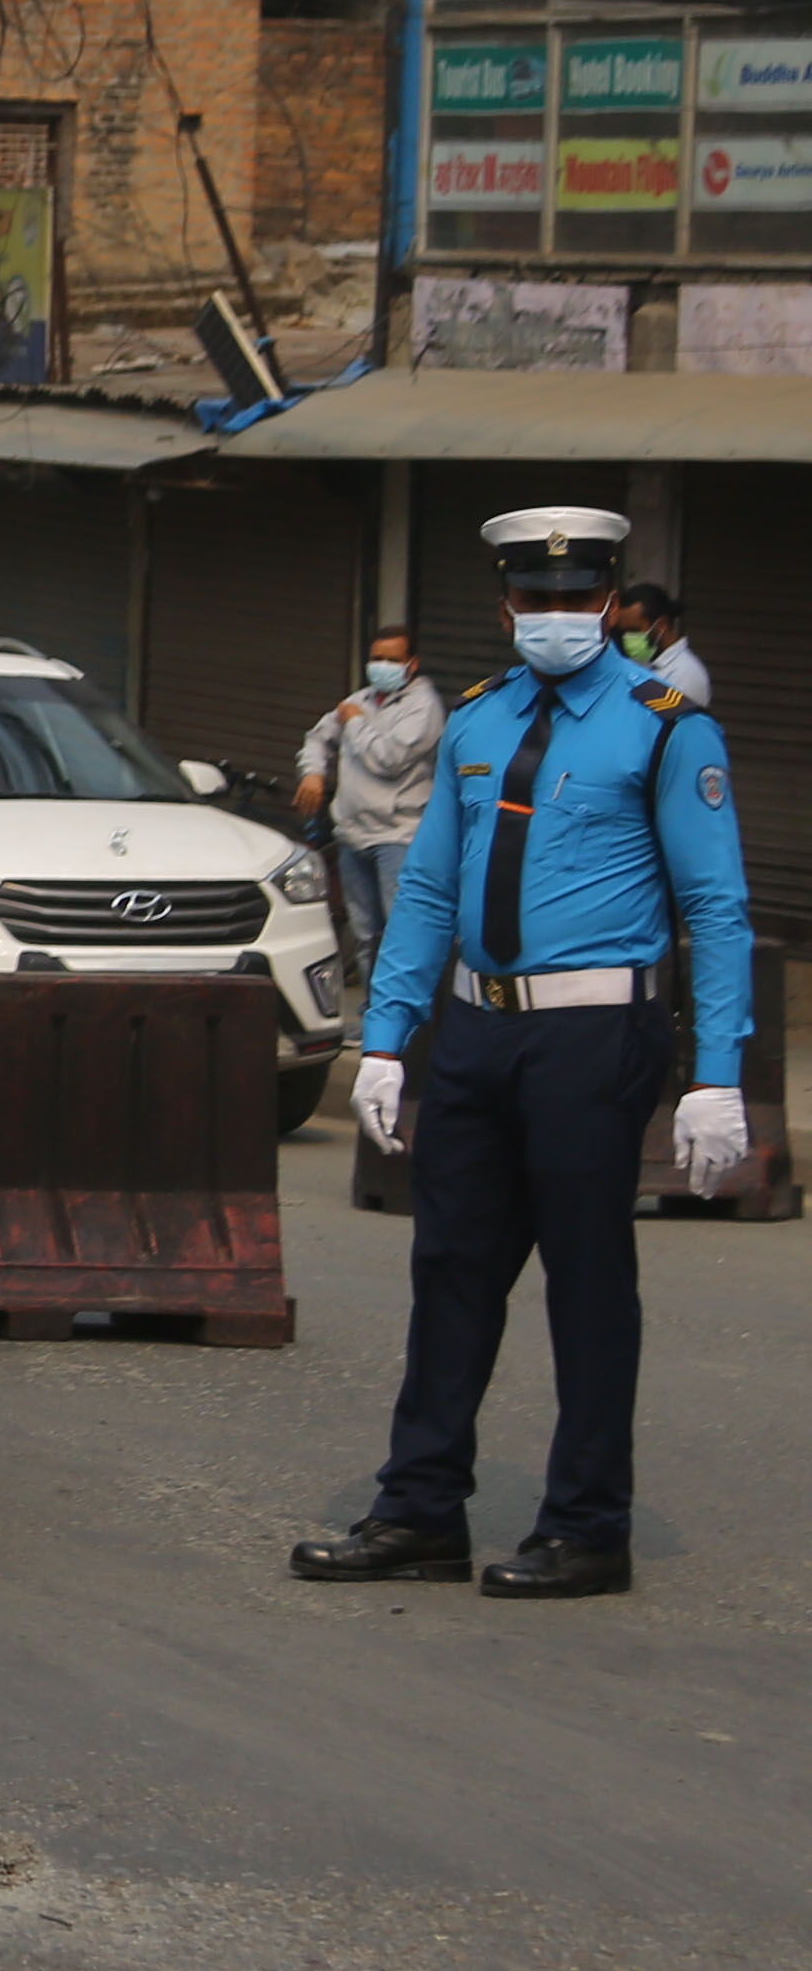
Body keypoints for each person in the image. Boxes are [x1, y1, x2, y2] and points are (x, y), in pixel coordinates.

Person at [296, 508, 755, 1603]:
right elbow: (429, 894)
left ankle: (587, 1523)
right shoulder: (477, 720)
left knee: (587, 1279)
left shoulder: (664, 726)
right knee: (448, 1269)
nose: (554, 617)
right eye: (534, 601)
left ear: (608, 605)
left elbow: (716, 905)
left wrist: (717, 1073)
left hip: (592, 1033)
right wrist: (387, 1040)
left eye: (576, 599)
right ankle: (418, 1508)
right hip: (475, 1029)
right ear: (505, 608)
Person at [293, 621, 443, 976]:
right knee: (365, 935)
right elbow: (318, 737)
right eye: (377, 659)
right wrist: (313, 773)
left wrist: (356, 723)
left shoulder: (424, 708)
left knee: (401, 934)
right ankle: (373, 1015)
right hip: (353, 835)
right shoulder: (359, 700)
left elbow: (388, 760)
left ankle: (409, 1022)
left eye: (392, 660)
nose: (382, 667)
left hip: (397, 837)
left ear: (412, 664)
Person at [610, 581, 714, 712]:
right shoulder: (643, 663)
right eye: (623, 632)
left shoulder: (686, 674)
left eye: (634, 630)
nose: (627, 638)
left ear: (662, 625)